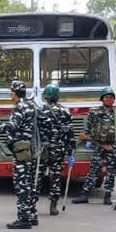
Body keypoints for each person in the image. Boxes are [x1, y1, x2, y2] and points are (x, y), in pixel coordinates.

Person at [0, 80, 40, 229]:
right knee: (30, 184)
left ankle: (23, 219)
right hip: (31, 149)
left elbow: (11, 128)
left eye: (11, 91)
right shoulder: (31, 106)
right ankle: (32, 215)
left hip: (21, 151)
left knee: (22, 185)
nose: (10, 93)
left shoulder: (19, 107)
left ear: (16, 93)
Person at [72, 87, 116, 206]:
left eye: (111, 97)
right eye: (107, 97)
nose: (109, 99)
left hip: (112, 147)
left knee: (110, 172)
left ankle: (107, 196)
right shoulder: (94, 113)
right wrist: (96, 143)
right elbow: (87, 132)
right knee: (93, 171)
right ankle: (84, 195)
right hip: (98, 146)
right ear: (102, 99)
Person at [37, 84, 75, 216]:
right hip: (58, 149)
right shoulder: (65, 111)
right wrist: (70, 151)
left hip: (43, 148)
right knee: (55, 177)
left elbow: (36, 131)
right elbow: (70, 133)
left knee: (38, 175)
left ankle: (32, 203)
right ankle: (53, 206)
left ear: (45, 96)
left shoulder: (40, 110)